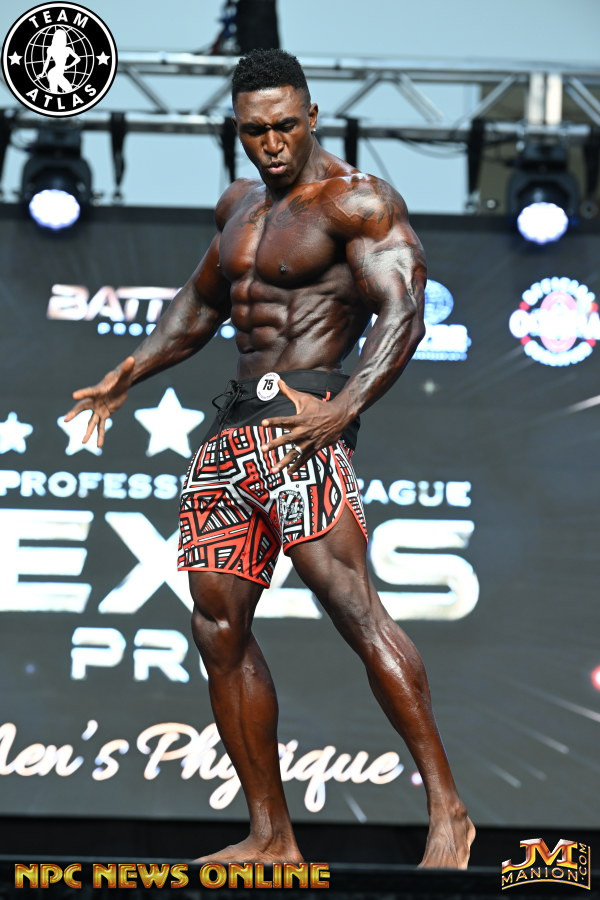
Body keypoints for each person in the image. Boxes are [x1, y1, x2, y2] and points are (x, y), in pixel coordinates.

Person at [65, 48, 475, 868]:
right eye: (256, 130)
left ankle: (448, 811)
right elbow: (201, 304)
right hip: (233, 432)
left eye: (286, 125)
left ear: (313, 115)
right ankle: (271, 835)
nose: (273, 142)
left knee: (352, 607)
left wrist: (348, 406)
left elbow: (403, 312)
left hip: (302, 424)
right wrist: (131, 371)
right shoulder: (238, 207)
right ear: (238, 129)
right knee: (216, 626)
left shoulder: (358, 201)